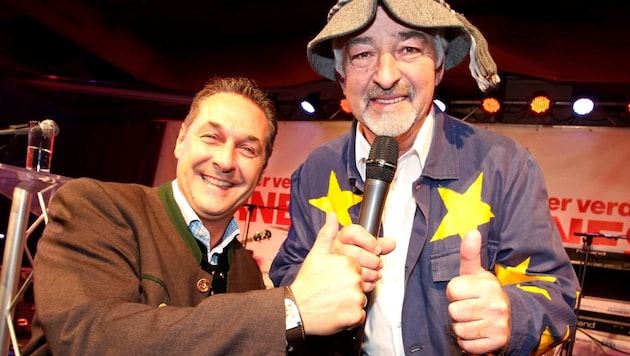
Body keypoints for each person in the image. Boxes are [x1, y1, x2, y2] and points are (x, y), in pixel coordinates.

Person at [269, 1, 581, 355]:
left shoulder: (506, 165)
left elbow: (559, 298)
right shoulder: (314, 171)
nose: (385, 76)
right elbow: (287, 276)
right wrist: (312, 285)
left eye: (409, 49)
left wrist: (512, 316)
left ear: (439, 67)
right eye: (362, 55)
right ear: (343, 78)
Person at [23, 76, 387, 355]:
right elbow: (91, 337)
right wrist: (289, 309)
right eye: (211, 137)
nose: (226, 161)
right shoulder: (97, 208)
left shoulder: (246, 272)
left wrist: (337, 288)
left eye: (247, 148)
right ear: (181, 140)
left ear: (262, 168)